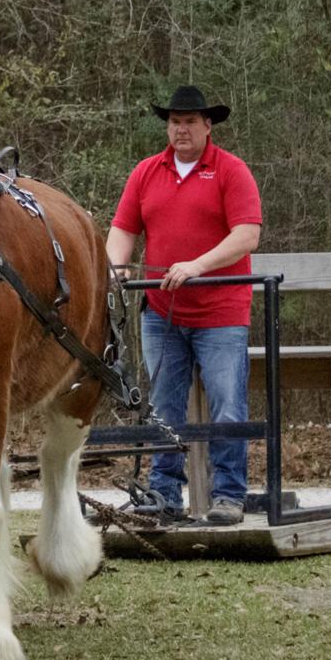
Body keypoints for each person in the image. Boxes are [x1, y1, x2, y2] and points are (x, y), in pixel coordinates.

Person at [106, 86, 262, 525]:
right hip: (160, 313)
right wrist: (114, 268)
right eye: (175, 121)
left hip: (221, 314)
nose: (181, 129)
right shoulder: (146, 172)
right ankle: (164, 494)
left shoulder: (231, 171)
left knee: (227, 403)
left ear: (208, 125)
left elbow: (247, 235)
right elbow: (122, 229)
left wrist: (197, 265)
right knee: (163, 406)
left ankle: (228, 495)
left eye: (191, 121)